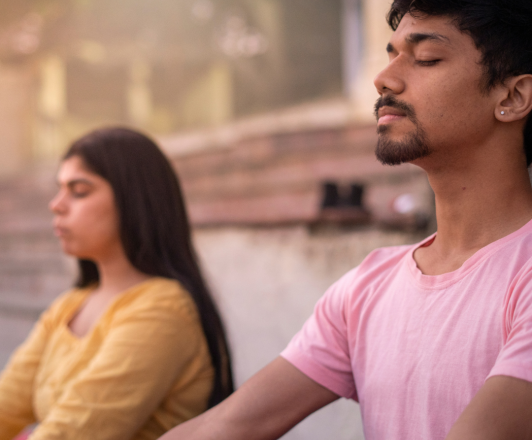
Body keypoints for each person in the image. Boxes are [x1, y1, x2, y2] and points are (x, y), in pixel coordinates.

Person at [159, 1, 532, 439]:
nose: (384, 78)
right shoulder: (367, 287)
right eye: (391, 54)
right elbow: (227, 426)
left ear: (512, 96)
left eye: (426, 58)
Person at [0, 127, 234, 440]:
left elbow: (71, 433)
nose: (56, 204)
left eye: (79, 191)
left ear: (133, 199)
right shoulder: (69, 306)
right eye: (60, 189)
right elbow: (6, 405)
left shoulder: (163, 311)